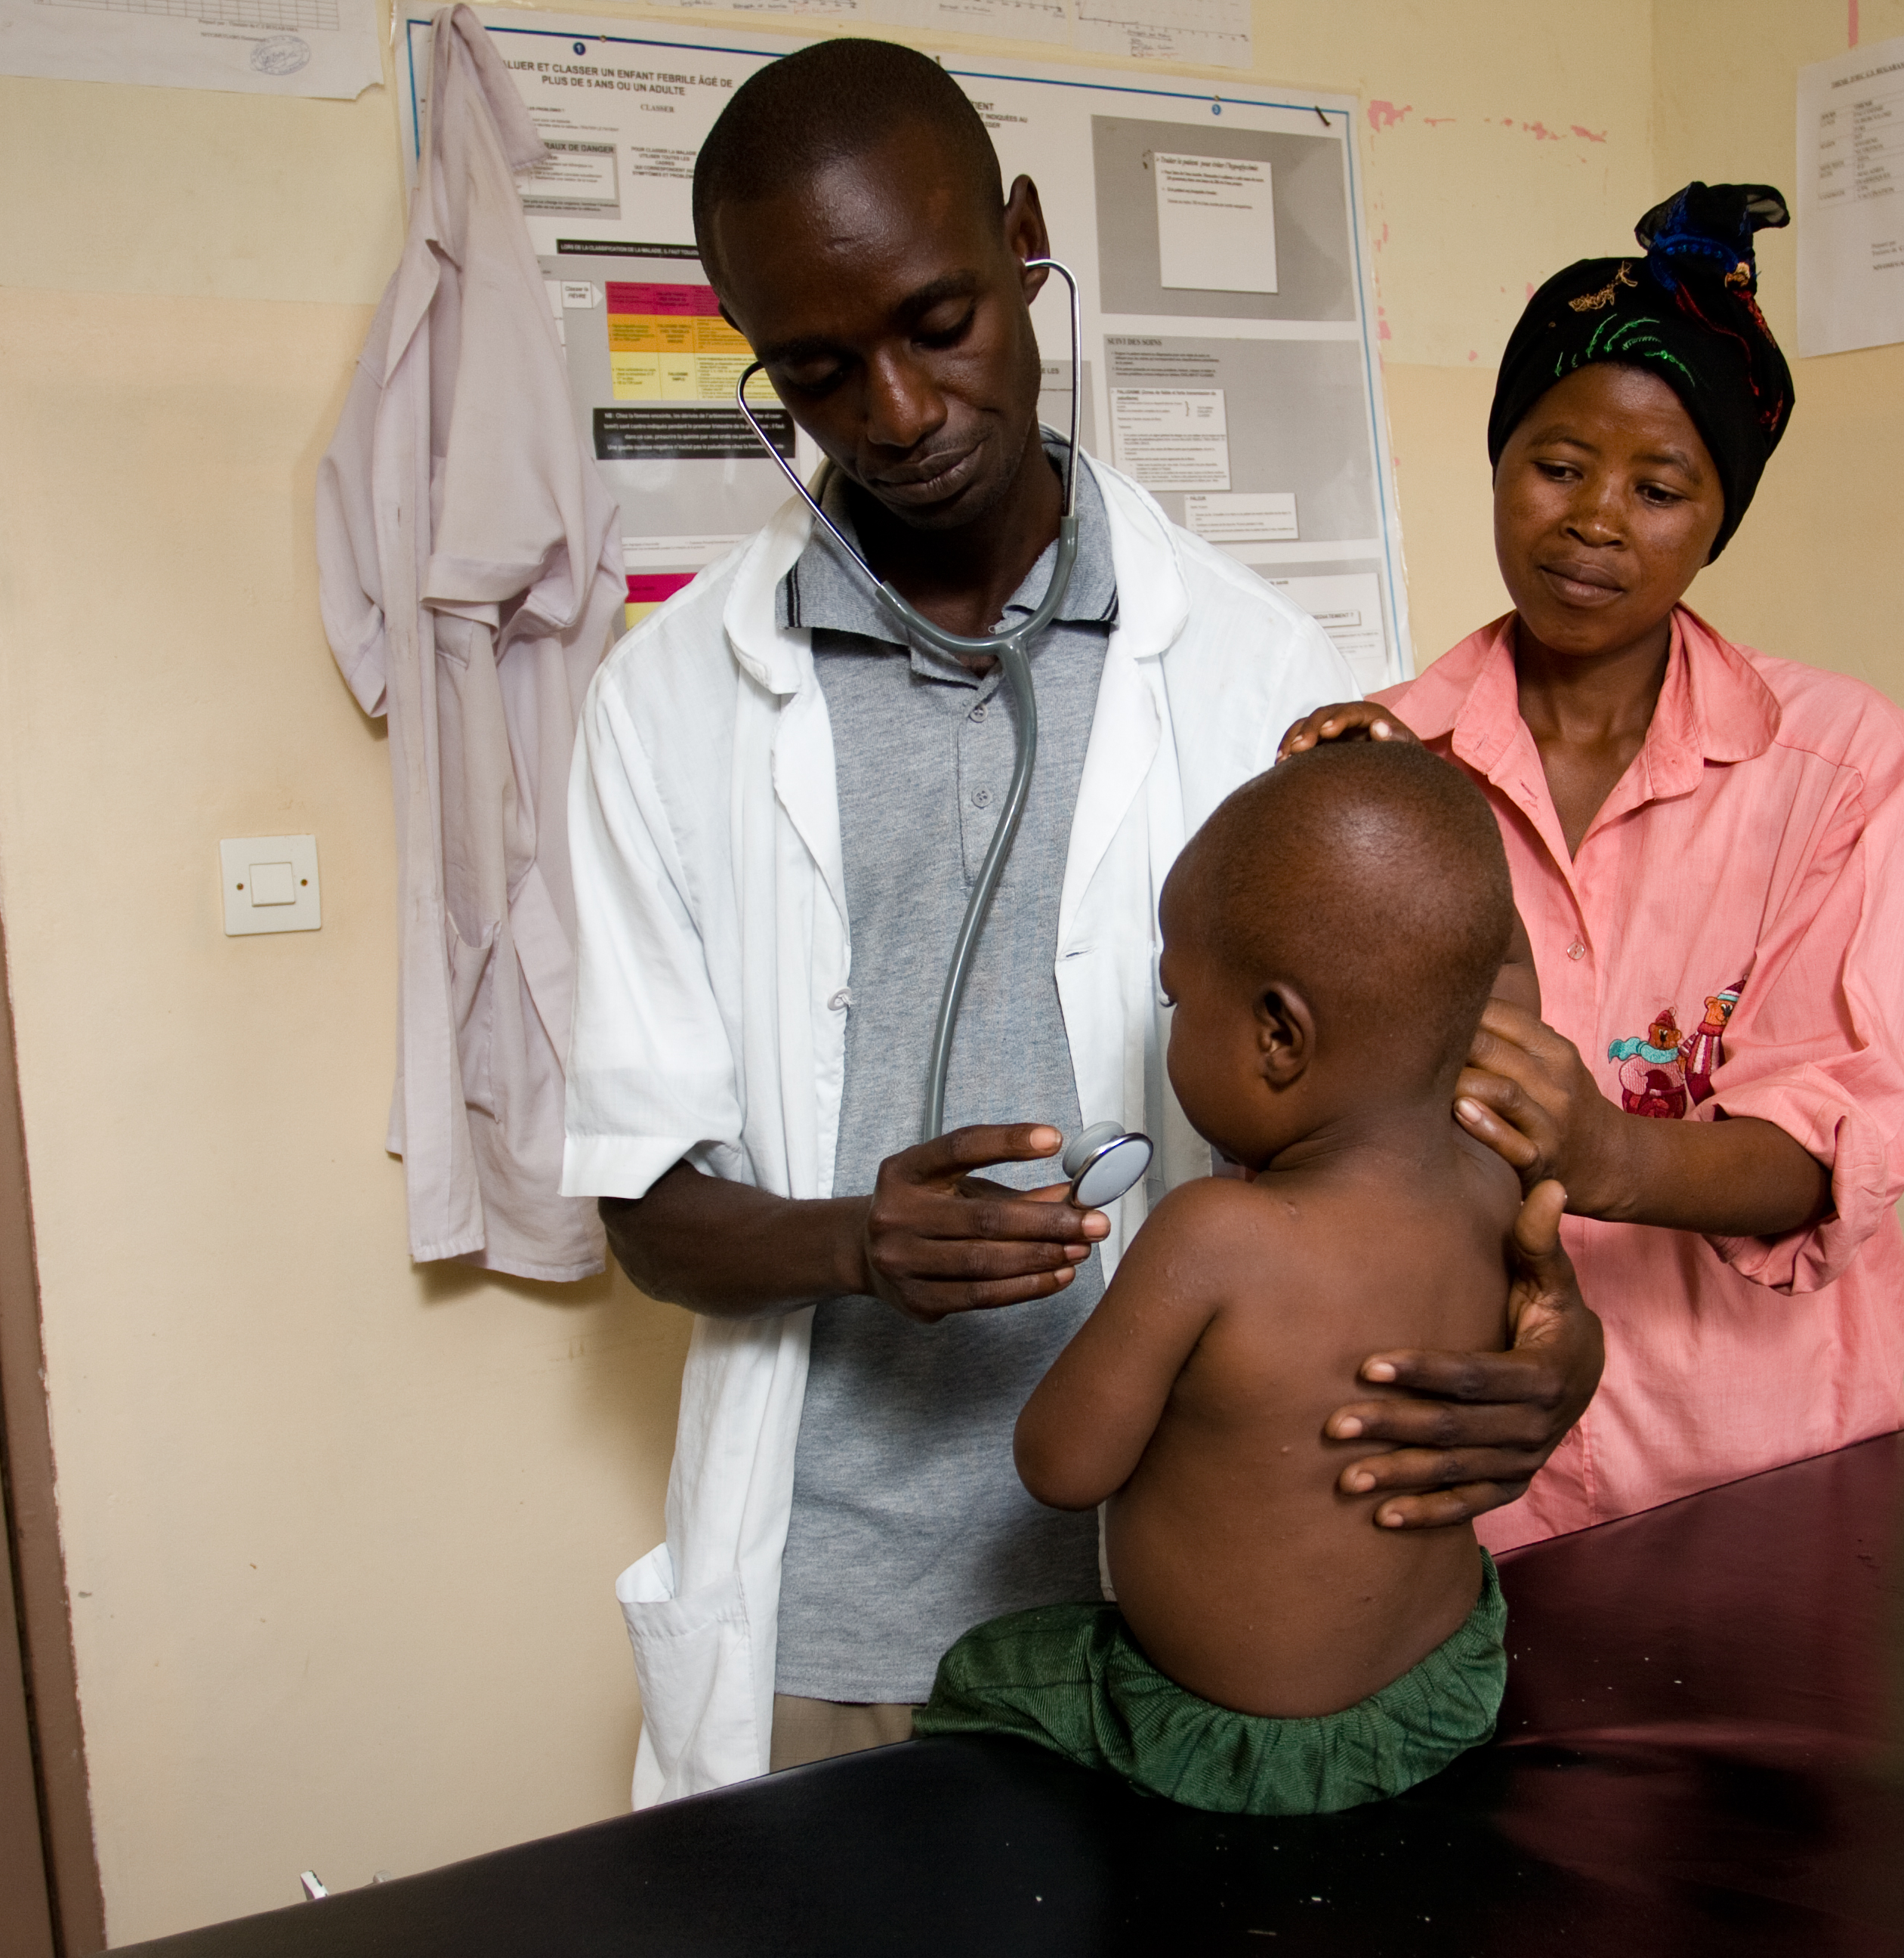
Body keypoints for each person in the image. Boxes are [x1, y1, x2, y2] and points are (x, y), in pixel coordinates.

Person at [562, 38, 1604, 1805]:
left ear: (1026, 244)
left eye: (941, 322)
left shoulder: (1266, 665)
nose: (895, 413)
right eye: (820, 373)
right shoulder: (666, 710)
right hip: (839, 1625)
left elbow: (1454, 1107)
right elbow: (647, 1214)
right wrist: (853, 1245)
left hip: (1238, 1621)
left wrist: (1553, 1331)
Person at [1282, 183, 1904, 1548]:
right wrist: (1309, 838)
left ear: (1718, 522)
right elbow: (1300, 1107)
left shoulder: (1836, 764)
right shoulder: (1378, 765)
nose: (1596, 520)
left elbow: (1837, 1145)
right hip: (1464, 1466)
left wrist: (1605, 1152)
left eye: (1660, 489)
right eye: (1559, 464)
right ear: (1498, 463)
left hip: (1762, 1465)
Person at [916, 741, 1541, 1814]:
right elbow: (1505, 980)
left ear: (1277, 1036)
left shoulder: (1213, 1235)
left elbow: (1060, 1466)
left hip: (1241, 1751)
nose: (1171, 1033)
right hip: (1445, 1691)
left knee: (983, 1680)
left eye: (1177, 1004)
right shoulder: (1496, 1182)